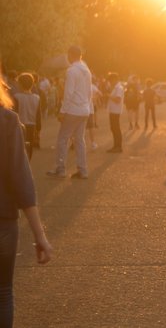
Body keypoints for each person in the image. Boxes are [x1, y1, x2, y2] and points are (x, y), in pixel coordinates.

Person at [0, 75, 53, 327]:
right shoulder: (8, 121)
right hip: (3, 222)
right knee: (3, 294)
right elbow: (22, 181)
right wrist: (39, 235)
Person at [46, 45, 93, 179]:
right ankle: (82, 170)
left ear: (70, 55)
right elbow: (89, 92)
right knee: (79, 140)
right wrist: (87, 107)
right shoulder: (87, 70)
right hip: (84, 109)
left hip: (73, 109)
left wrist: (62, 110)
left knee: (62, 138)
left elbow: (69, 93)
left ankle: (61, 169)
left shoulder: (71, 71)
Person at [13, 73, 40, 159]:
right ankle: (28, 163)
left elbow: (14, 113)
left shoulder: (16, 97)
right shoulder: (37, 98)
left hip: (19, 125)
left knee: (19, 147)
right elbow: (38, 115)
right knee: (29, 147)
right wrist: (38, 129)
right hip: (31, 126)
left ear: (20, 84)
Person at [106, 72, 124, 153]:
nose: (110, 82)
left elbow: (118, 100)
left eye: (111, 80)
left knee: (116, 128)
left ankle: (118, 146)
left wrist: (109, 96)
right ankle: (116, 146)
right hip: (113, 110)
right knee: (113, 128)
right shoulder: (115, 88)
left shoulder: (119, 88)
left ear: (115, 79)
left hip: (115, 111)